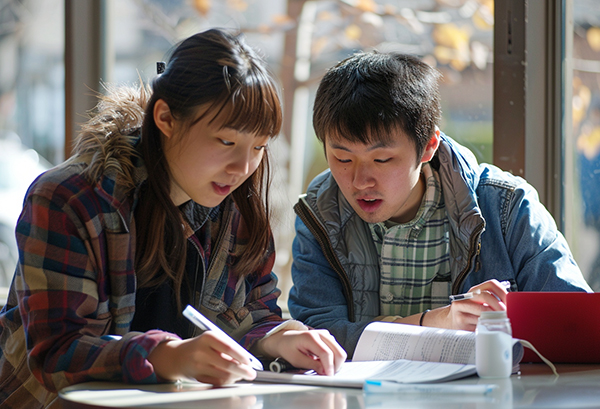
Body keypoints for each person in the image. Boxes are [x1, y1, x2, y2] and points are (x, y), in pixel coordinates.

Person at [0, 29, 345, 408]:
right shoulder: (72, 198)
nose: (243, 167)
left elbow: (252, 314)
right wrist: (166, 356)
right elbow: (56, 353)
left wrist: (275, 337)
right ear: (165, 117)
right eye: (226, 142)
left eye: (259, 146)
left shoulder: (235, 204)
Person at [288, 51, 592, 358]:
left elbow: (577, 327)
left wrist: (497, 321)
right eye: (342, 158)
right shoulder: (320, 214)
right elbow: (317, 338)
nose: (359, 181)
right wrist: (439, 322)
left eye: (381, 159)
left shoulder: (506, 207)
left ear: (428, 146)